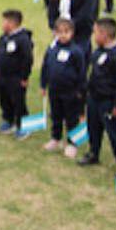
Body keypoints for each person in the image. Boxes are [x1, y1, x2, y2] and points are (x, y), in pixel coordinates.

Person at [79, 18, 116, 172]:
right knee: (93, 127)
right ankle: (93, 152)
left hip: (108, 101)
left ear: (104, 34)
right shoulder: (98, 52)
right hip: (94, 97)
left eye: (95, 33)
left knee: (113, 130)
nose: (93, 36)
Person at [39, 19, 87, 157]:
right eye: (59, 32)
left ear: (72, 33)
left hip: (70, 92)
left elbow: (81, 73)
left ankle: (72, 143)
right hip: (54, 90)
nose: (63, 35)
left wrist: (80, 91)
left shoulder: (76, 51)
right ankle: (56, 138)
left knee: (71, 118)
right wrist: (43, 84)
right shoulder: (52, 49)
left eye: (66, 32)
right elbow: (45, 67)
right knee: (56, 115)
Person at [0, 9, 33, 137]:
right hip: (3, 76)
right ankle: (8, 120)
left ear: (12, 23)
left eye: (4, 21)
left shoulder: (23, 39)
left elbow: (27, 59)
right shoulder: (3, 38)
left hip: (16, 77)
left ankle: (24, 124)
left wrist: (24, 76)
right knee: (4, 99)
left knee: (18, 101)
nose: (2, 24)